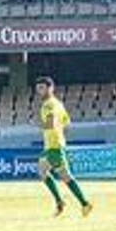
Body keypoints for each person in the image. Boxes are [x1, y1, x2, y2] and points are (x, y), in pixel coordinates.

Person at [35, 77, 91, 217]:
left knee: (65, 177)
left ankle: (85, 203)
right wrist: (61, 137)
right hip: (53, 145)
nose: (39, 90)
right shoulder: (59, 104)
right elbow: (66, 123)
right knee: (42, 171)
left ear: (50, 88)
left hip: (54, 146)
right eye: (38, 88)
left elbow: (50, 124)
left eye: (42, 87)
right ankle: (60, 202)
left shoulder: (48, 105)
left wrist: (39, 124)